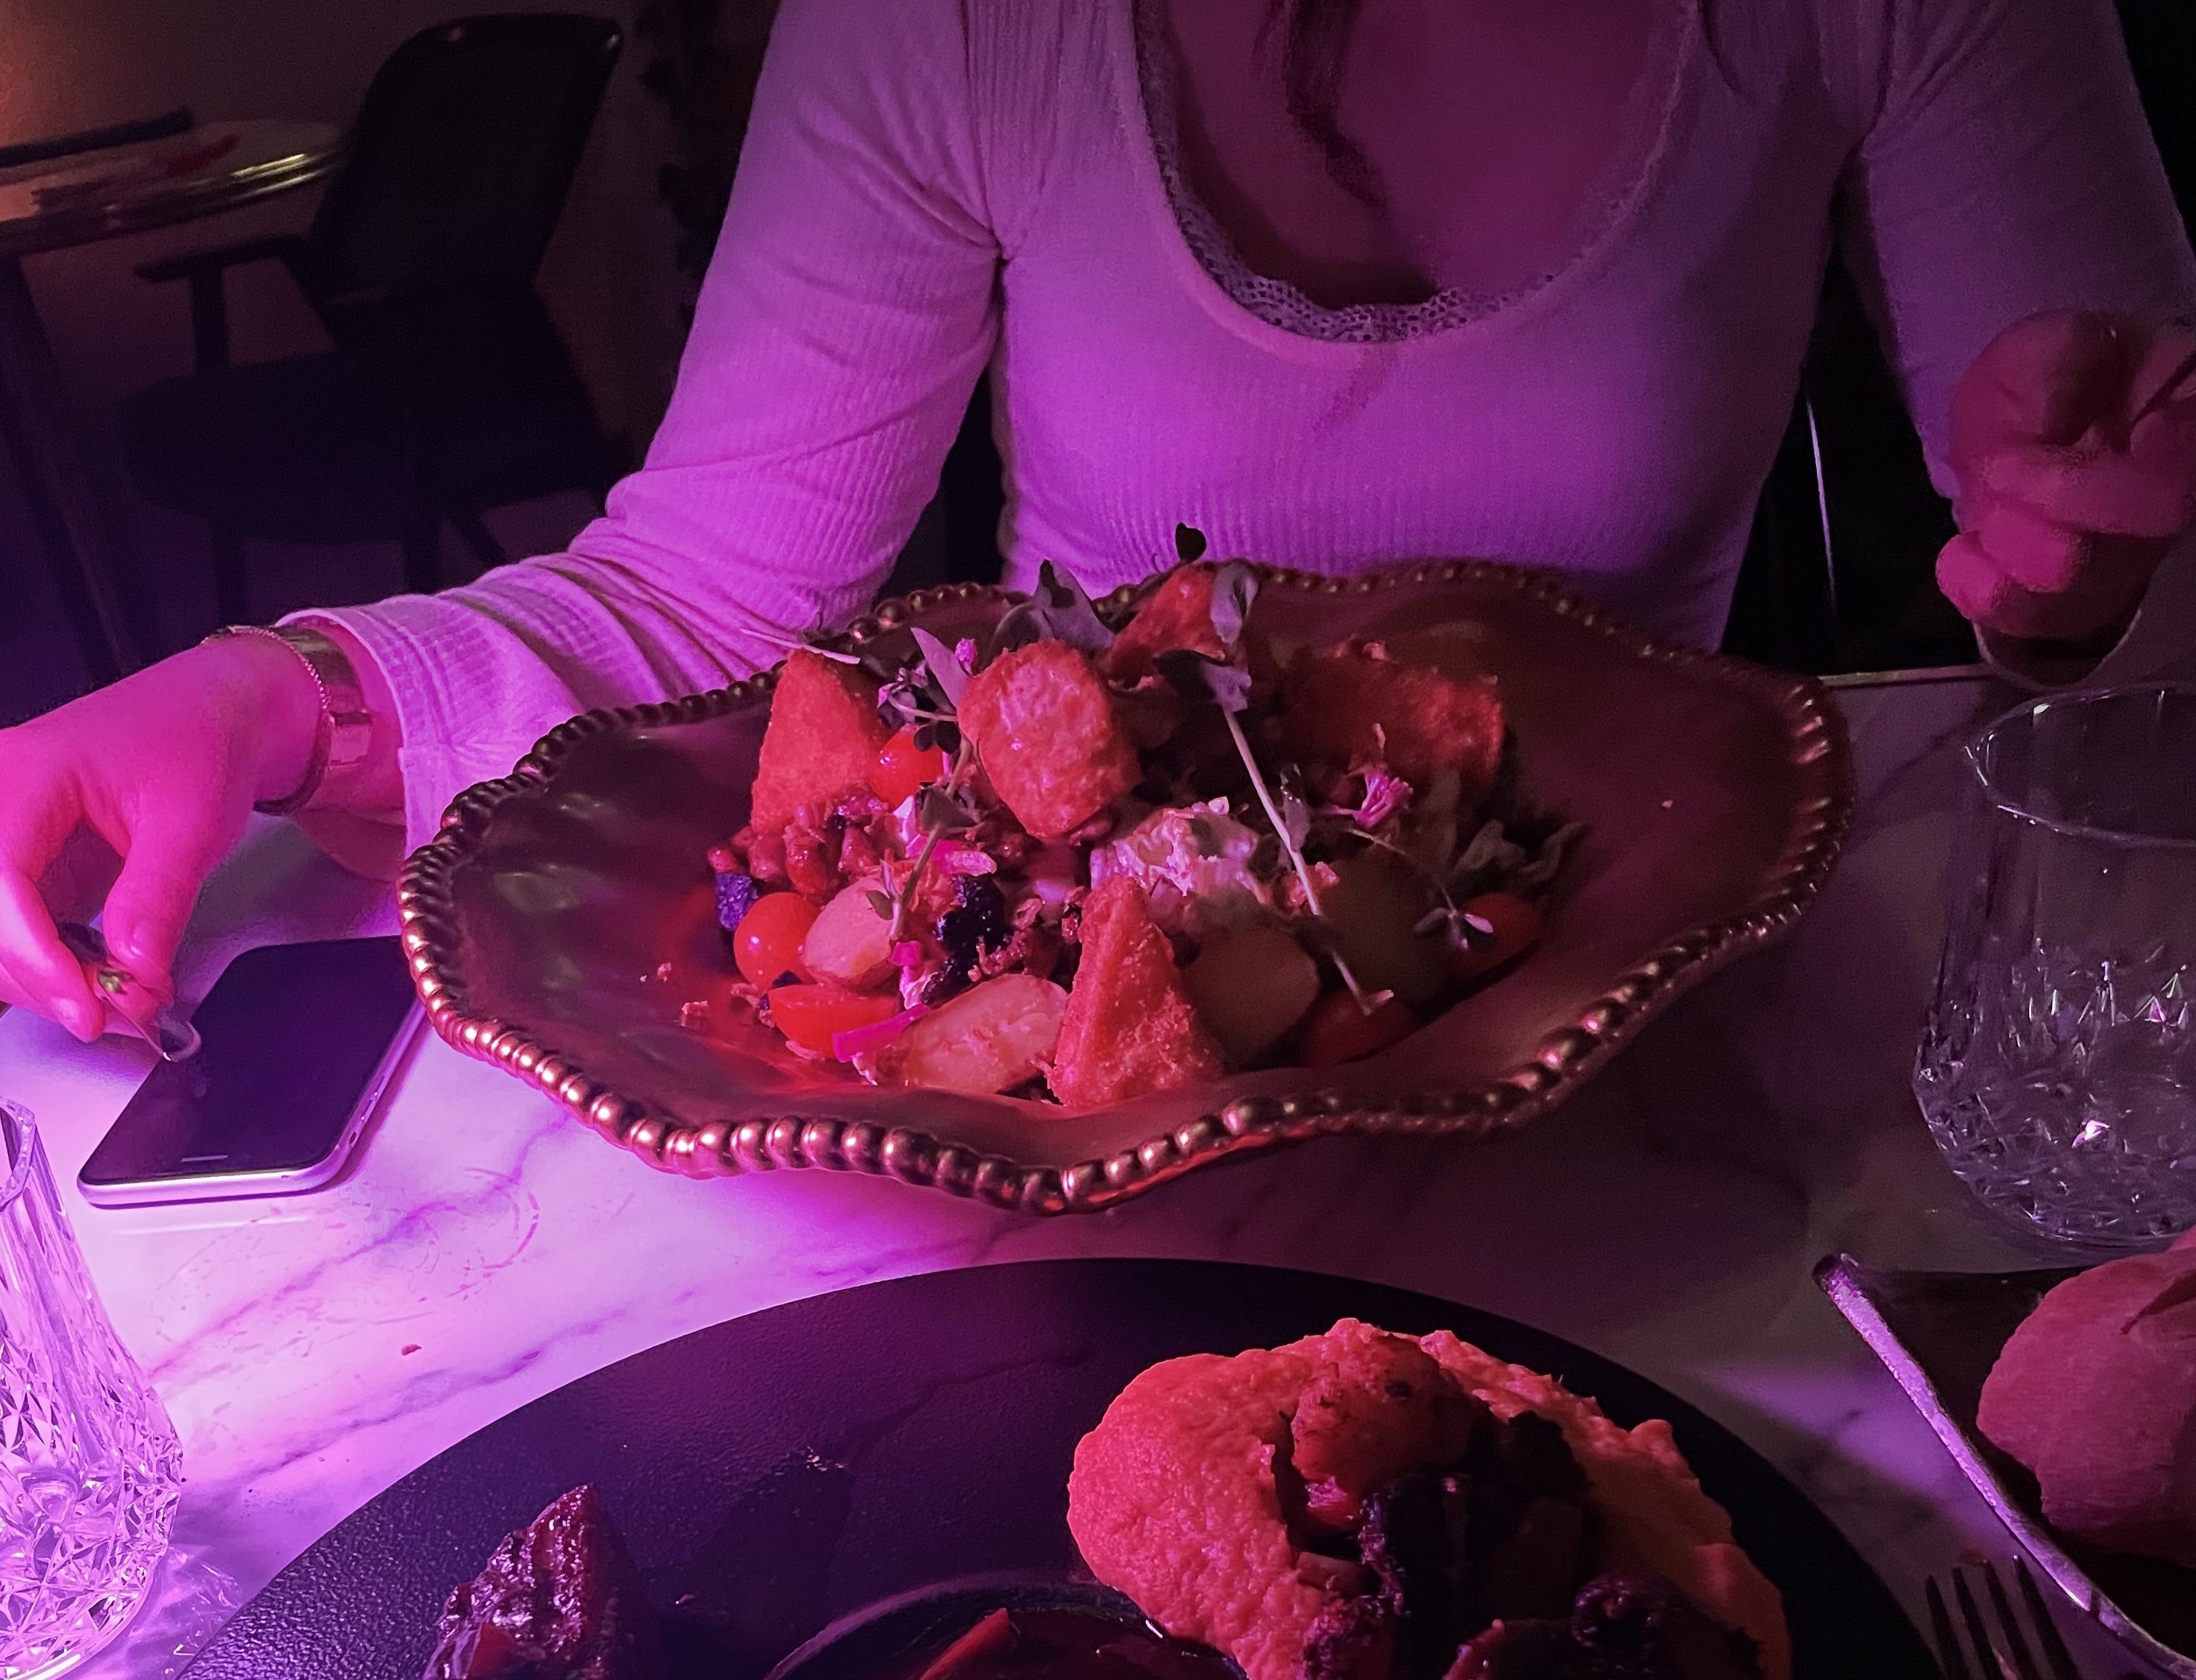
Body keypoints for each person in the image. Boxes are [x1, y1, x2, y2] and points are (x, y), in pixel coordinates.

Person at [4, 0, 2193, 1043]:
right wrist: (284, 693)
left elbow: (2139, 566)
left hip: (1646, 1054)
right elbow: (712, 587)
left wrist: (2095, 582)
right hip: (1097, 1124)